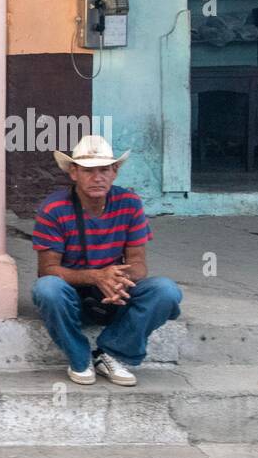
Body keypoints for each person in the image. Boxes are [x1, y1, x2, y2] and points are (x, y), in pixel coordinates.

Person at [31, 134, 182, 386]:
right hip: (73, 294)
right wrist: (96, 276)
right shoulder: (54, 209)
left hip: (114, 293)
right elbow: (47, 270)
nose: (97, 177)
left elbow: (138, 264)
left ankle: (111, 352)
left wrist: (118, 279)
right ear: (73, 173)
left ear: (115, 173)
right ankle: (79, 358)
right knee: (47, 289)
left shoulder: (129, 203)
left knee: (166, 291)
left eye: (104, 170)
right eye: (89, 171)